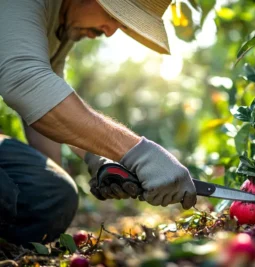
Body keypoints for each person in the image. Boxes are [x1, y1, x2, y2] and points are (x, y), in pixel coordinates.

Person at [0, 0, 197, 246]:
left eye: (122, 22)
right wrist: (141, 154)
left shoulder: (61, 26)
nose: (110, 31)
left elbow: (45, 111)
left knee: (52, 195)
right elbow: (26, 83)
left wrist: (97, 158)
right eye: (111, 14)